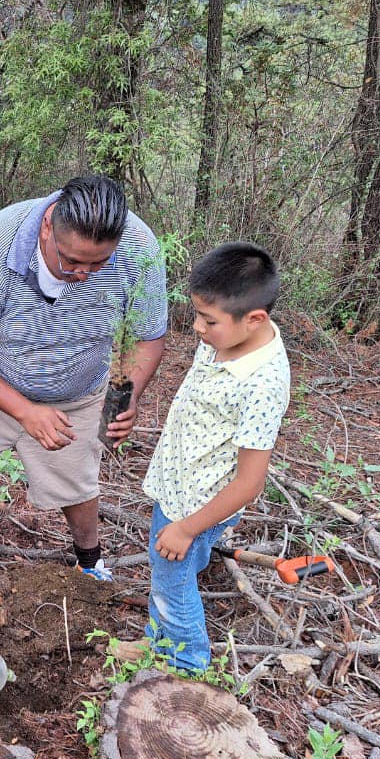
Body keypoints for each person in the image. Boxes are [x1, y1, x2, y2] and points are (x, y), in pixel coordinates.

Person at [0, 174, 167, 579]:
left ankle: (89, 565)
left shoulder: (140, 249)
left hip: (77, 392)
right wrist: (25, 411)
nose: (83, 273)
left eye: (97, 263)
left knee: (77, 484)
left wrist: (128, 395)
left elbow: (147, 336)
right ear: (48, 226)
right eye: (71, 260)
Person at [140, 242, 290, 673]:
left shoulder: (262, 383)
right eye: (197, 315)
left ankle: (186, 663)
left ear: (255, 318)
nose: (197, 329)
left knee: (171, 577)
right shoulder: (225, 338)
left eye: (208, 320)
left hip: (197, 504)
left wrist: (187, 528)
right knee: (177, 566)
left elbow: (249, 483)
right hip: (179, 480)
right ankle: (157, 641)